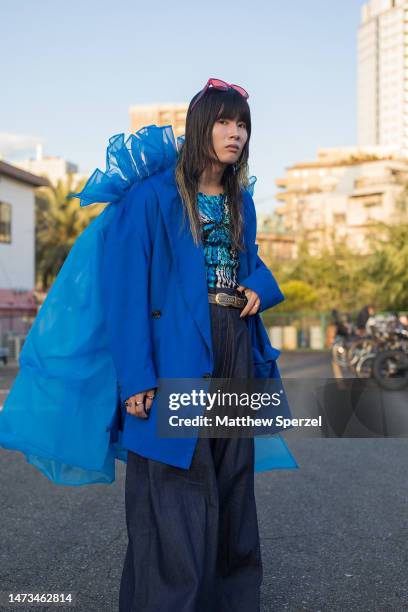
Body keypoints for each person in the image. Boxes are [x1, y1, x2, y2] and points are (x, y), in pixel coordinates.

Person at [0, 78, 298, 611]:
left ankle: (230, 602)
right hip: (174, 351)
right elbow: (125, 291)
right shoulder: (151, 196)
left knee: (233, 482)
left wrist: (261, 286)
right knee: (174, 486)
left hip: (234, 343)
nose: (236, 133)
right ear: (201, 127)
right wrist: (136, 377)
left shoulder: (241, 203)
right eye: (226, 122)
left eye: (243, 124)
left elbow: (250, 265)